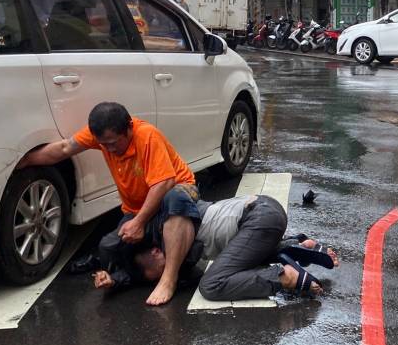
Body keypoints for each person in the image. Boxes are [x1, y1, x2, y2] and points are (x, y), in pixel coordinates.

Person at [17, 101, 201, 306]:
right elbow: (64, 148)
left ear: (129, 128)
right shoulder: (104, 135)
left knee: (174, 198)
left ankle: (169, 279)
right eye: (103, 144)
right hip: (139, 208)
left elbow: (164, 183)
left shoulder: (147, 136)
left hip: (174, 195)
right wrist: (23, 160)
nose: (108, 149)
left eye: (113, 143)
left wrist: (139, 222)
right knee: (108, 248)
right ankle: (117, 276)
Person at [123, 194, 337, 300]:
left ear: (155, 251)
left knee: (211, 285)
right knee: (239, 262)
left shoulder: (171, 234)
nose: (166, 273)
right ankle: (295, 246)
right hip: (265, 212)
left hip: (258, 219)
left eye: (159, 270)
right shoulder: (172, 230)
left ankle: (284, 277)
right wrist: (114, 278)